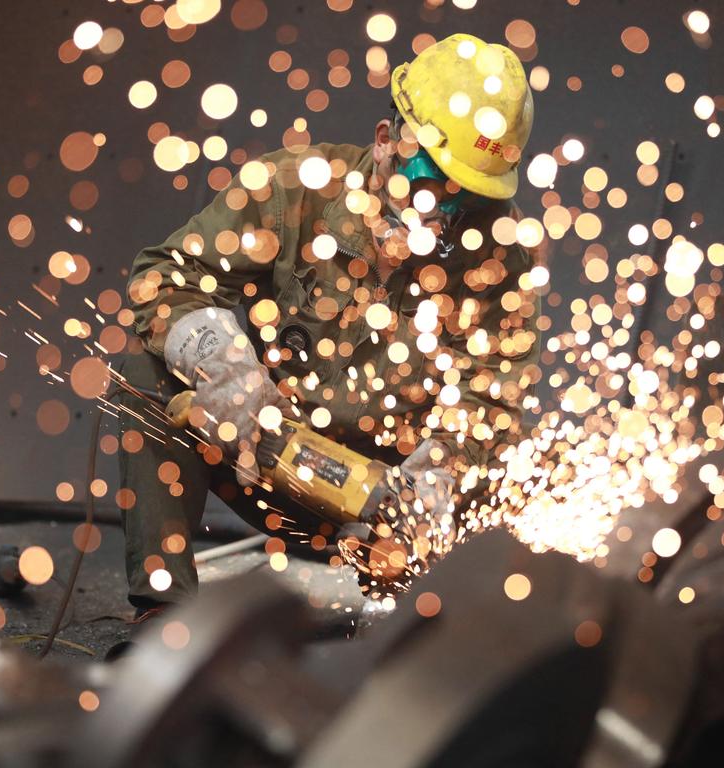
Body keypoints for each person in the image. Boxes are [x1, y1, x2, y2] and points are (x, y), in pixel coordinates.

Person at [118, 33, 540, 617]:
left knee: (514, 482)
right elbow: (163, 277)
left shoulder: (498, 251)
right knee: (145, 374)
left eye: (462, 198)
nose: (436, 213)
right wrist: (224, 366)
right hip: (265, 456)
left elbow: (490, 404)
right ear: (388, 140)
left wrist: (428, 494)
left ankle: (415, 632)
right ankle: (162, 616)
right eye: (425, 180)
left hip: (388, 501)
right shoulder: (295, 189)